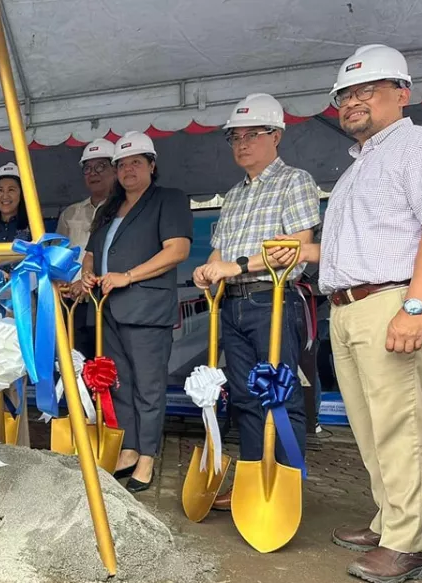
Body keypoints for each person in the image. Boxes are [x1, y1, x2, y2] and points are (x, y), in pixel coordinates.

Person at [268, 44, 422, 583]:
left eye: (365, 90)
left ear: (402, 93)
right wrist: (305, 250)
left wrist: (415, 305)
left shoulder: (415, 146)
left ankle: (410, 540)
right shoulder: (359, 164)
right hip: (347, 305)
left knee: (400, 426)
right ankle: (391, 520)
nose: (351, 102)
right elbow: (363, 246)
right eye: (345, 95)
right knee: (369, 428)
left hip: (390, 302)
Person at [192, 93, 320, 512]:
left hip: (273, 300)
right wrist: (207, 270)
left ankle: (285, 487)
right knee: (245, 397)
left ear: (277, 136)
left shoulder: (295, 181)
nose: (242, 143)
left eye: (253, 134)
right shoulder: (233, 195)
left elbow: (298, 247)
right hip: (232, 305)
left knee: (278, 395)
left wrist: (236, 266)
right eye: (234, 137)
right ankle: (251, 480)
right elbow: (218, 254)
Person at [82, 132, 192, 492]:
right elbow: (91, 255)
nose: (128, 169)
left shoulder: (168, 200)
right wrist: (85, 274)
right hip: (107, 309)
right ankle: (129, 449)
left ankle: (148, 456)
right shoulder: (109, 209)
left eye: (136, 162)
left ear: (151, 166)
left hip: (145, 308)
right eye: (122, 164)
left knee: (148, 386)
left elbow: (176, 250)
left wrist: (128, 276)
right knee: (120, 384)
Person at [57, 139, 117, 360]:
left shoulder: (124, 210)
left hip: (108, 299)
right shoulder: (70, 213)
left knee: (106, 366)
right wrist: (61, 282)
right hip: (73, 301)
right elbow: (57, 256)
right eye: (88, 168)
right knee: (76, 366)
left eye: (101, 166)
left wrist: (88, 283)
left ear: (115, 169)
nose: (93, 173)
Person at [0, 162, 30, 244]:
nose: (5, 196)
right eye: (0, 190)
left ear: (22, 194)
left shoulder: (35, 229)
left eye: (11, 190)